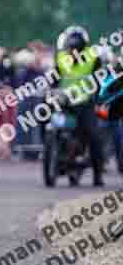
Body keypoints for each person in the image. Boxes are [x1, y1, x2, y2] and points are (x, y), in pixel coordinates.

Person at [53, 25, 105, 186]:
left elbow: (100, 79)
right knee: (50, 122)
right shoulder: (61, 58)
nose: (72, 51)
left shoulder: (93, 58)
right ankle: (53, 155)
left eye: (76, 48)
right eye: (70, 48)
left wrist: (97, 96)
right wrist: (49, 89)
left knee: (93, 135)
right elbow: (54, 77)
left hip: (85, 103)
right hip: (65, 102)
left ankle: (98, 174)